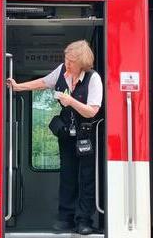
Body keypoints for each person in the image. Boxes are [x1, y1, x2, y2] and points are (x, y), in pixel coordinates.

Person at [6, 40, 103, 235]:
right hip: (67, 134)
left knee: (86, 178)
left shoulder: (94, 79)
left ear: (82, 62)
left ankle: (83, 221)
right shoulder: (61, 71)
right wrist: (18, 87)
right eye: (66, 59)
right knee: (67, 176)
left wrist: (70, 101)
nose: (67, 64)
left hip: (87, 136)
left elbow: (91, 112)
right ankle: (65, 219)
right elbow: (43, 82)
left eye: (71, 61)